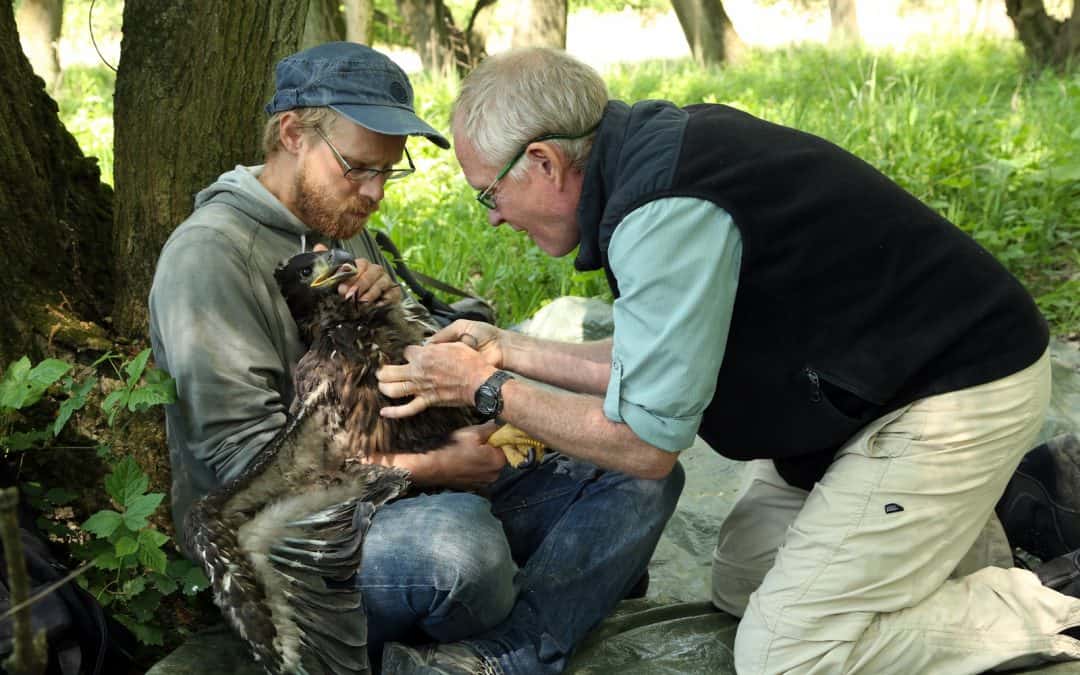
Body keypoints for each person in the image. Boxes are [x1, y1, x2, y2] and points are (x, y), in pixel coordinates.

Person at [376, 46, 1080, 674]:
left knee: (785, 652)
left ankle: (1050, 602)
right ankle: (977, 540)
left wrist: (489, 389)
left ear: (544, 163)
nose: (493, 216)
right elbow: (650, 354)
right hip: (863, 397)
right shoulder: (645, 161)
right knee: (744, 579)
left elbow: (646, 444)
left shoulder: (663, 206)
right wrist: (506, 348)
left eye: (487, 194)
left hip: (951, 387)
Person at [148, 42, 683, 675]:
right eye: (359, 168)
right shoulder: (209, 258)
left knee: (639, 471)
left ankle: (501, 657)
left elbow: (398, 370)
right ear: (293, 134)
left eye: (388, 172)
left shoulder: (338, 216)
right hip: (297, 541)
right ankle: (532, 605)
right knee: (463, 555)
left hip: (405, 487)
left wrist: (410, 330)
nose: (374, 193)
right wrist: (430, 468)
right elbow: (244, 468)